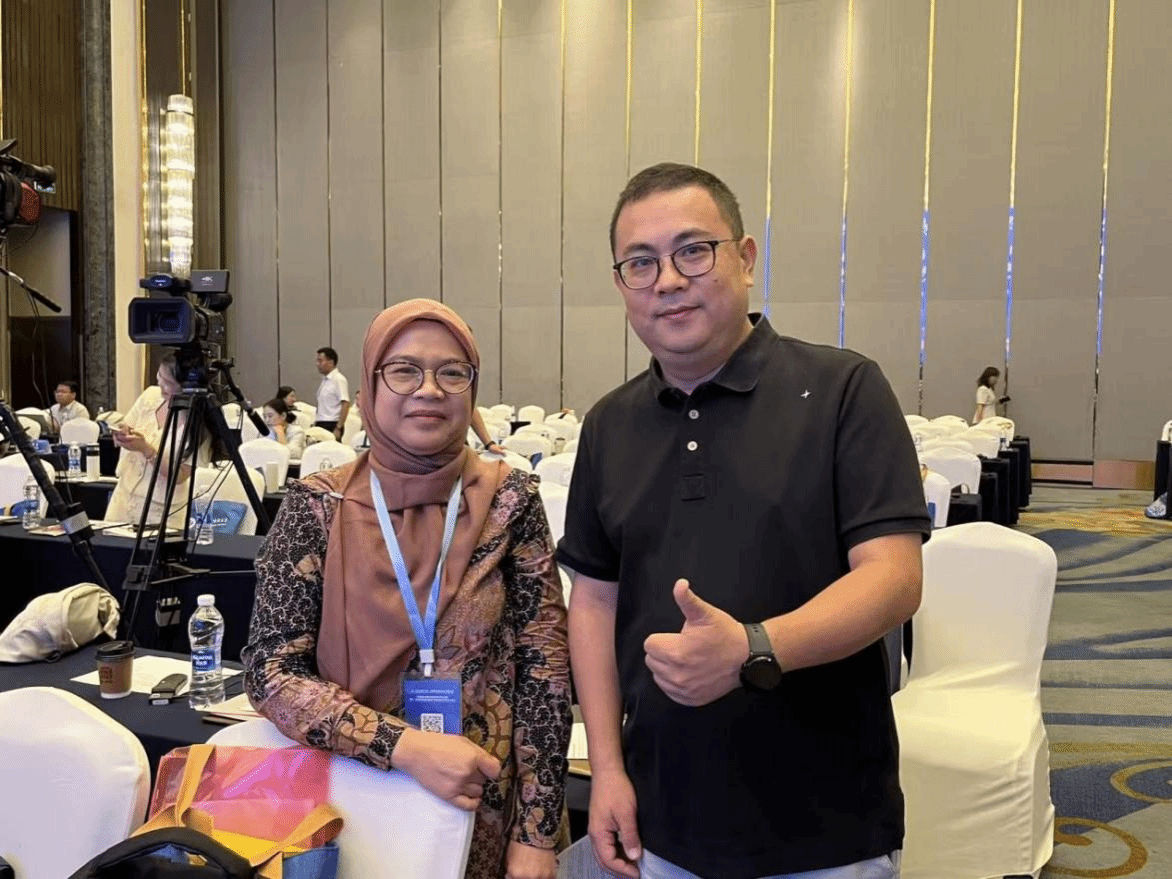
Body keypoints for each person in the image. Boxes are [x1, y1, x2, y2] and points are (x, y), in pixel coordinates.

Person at [557, 163, 931, 879]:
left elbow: (893, 578)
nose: (668, 280)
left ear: (747, 258)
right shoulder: (609, 424)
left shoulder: (843, 389)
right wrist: (606, 769)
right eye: (641, 262)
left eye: (693, 251)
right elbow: (595, 604)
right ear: (622, 284)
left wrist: (755, 649)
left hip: (824, 823)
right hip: (662, 816)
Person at [244, 299, 571, 879]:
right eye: (404, 371)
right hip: (349, 802)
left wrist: (536, 836)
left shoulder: (511, 500)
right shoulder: (317, 504)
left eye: (452, 372)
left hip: (488, 810)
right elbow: (271, 672)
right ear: (371, 387)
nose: (430, 389)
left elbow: (544, 668)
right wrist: (405, 746)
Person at [107, 354, 213, 528]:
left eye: (168, 382)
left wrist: (147, 450)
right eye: (159, 376)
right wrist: (122, 433)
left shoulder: (200, 423)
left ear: (186, 387)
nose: (160, 385)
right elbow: (127, 424)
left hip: (162, 511)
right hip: (123, 498)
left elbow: (180, 476)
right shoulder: (150, 396)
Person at [313, 347, 351, 439]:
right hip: (321, 422)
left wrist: (338, 427)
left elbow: (345, 403)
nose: (317, 364)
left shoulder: (338, 379)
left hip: (332, 423)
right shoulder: (325, 380)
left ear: (331, 362)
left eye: (320, 361)